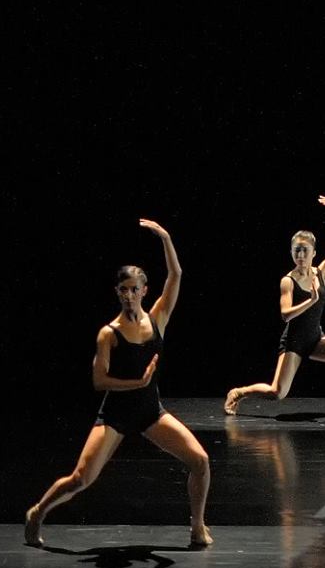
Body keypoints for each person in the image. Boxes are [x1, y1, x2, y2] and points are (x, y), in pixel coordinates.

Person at [25, 220, 213, 549]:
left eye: (133, 289)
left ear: (144, 291)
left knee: (200, 460)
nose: (128, 295)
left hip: (150, 412)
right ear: (117, 292)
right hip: (115, 414)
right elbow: (99, 381)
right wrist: (138, 381)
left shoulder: (158, 319)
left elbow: (177, 275)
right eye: (122, 289)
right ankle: (37, 513)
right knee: (81, 479)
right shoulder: (108, 333)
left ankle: (197, 527)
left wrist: (165, 237)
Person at [225, 196, 325, 418]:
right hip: (294, 342)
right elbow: (285, 315)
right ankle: (238, 392)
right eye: (296, 250)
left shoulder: (322, 273)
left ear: (313, 252)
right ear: (291, 252)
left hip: (315, 338)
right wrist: (310, 300)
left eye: (304, 250)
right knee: (277, 392)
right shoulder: (288, 280)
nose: (300, 255)